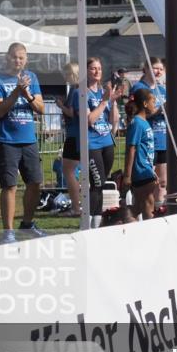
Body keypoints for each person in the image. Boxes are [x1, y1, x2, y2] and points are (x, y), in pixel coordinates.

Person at [0, 42, 48, 243]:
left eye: (21, 57)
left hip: (29, 139)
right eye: (14, 57)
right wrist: (16, 92)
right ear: (7, 57)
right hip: (7, 140)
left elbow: (41, 108)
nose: (18, 60)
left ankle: (27, 224)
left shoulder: (32, 77)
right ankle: (8, 232)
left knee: (35, 182)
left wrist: (27, 93)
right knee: (9, 186)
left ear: (26, 59)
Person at [74, 57, 121, 228]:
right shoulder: (82, 92)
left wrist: (113, 100)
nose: (97, 71)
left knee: (101, 184)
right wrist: (104, 102)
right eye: (93, 68)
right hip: (91, 143)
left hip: (106, 142)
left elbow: (113, 120)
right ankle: (89, 222)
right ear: (86, 71)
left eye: (99, 68)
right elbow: (89, 120)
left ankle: (98, 220)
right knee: (96, 183)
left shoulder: (103, 92)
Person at [130, 57, 168, 207]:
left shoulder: (163, 90)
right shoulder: (139, 88)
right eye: (154, 68)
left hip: (163, 139)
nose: (158, 71)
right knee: (148, 181)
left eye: (160, 68)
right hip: (147, 140)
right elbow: (138, 114)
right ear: (145, 69)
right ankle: (143, 209)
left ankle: (159, 209)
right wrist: (159, 110)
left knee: (162, 181)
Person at [123, 88, 159, 220]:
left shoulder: (144, 122)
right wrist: (127, 175)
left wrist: (152, 170)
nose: (154, 105)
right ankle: (150, 235)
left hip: (146, 169)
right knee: (148, 204)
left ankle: (119, 222)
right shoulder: (137, 123)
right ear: (145, 104)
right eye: (153, 101)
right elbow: (131, 149)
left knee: (139, 206)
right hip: (140, 170)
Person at [58, 61, 82, 216]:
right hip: (77, 135)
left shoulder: (75, 90)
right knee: (71, 170)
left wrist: (61, 106)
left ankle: (76, 206)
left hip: (74, 136)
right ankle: (79, 204)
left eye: (67, 74)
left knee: (68, 170)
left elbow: (72, 113)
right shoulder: (78, 89)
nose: (65, 77)